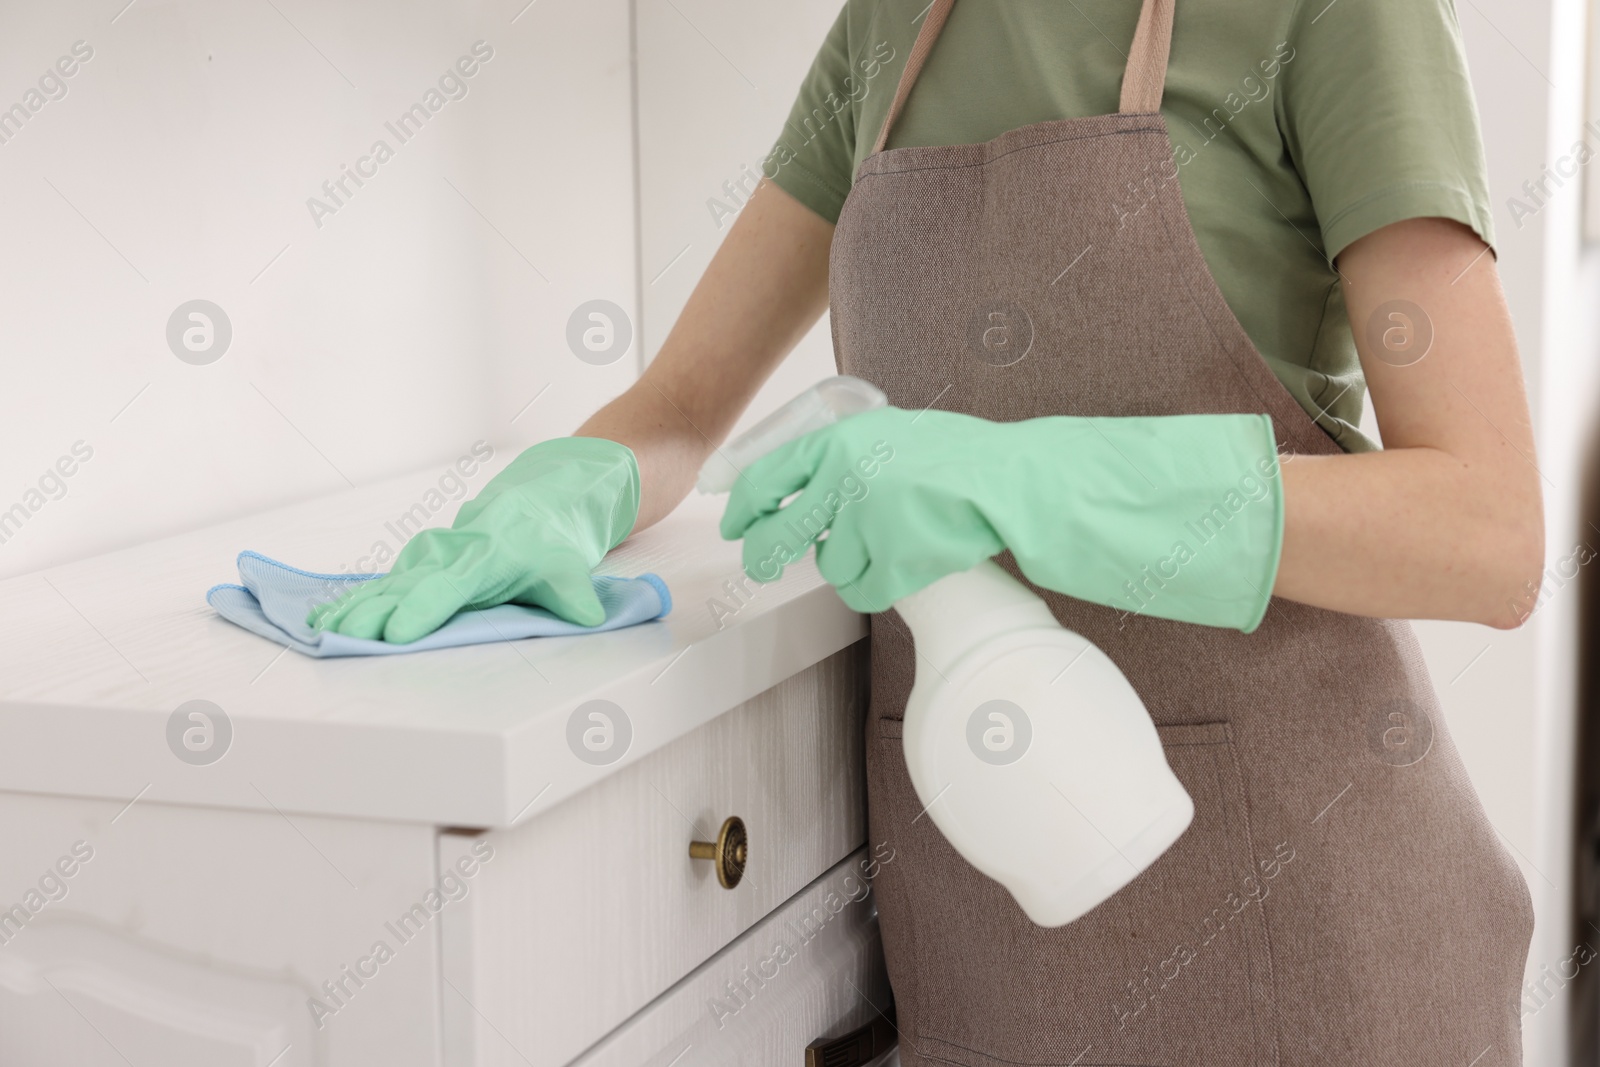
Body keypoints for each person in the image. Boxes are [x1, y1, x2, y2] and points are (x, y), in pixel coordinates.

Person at [313, 0, 1542, 1060]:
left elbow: (1485, 529)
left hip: (1308, 939)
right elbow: (684, 406)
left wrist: (1016, 476)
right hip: (988, 932)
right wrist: (559, 493)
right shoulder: (886, 32)